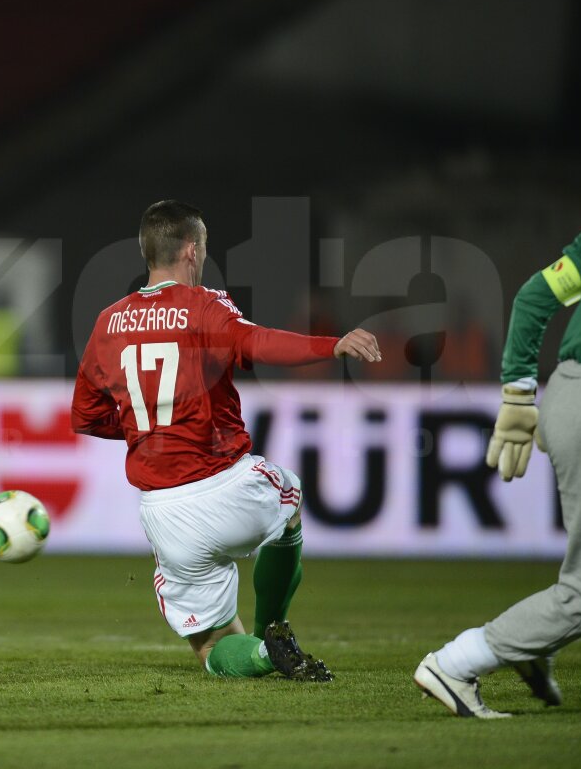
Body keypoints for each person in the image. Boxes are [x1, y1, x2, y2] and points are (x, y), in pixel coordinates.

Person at [71, 200, 382, 682]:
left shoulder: (107, 322)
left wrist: (141, 427)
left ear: (145, 251)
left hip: (165, 514)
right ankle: (273, 633)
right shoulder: (203, 305)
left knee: (212, 648)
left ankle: (260, 654)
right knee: (289, 496)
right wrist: (330, 345)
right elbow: (257, 342)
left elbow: (86, 417)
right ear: (192, 251)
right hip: (226, 487)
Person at [415, 205, 581, 718]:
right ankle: (457, 662)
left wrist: (517, 395)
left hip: (574, 390)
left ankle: (531, 643)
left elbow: (535, 296)